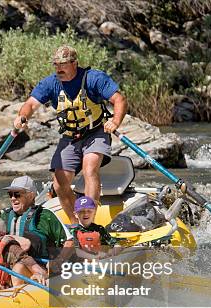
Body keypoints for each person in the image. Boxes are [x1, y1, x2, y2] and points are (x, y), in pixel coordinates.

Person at [13, 45, 128, 223]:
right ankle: (76, 224)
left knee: (89, 169)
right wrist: (22, 116)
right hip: (69, 137)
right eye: (56, 64)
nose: (59, 69)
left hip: (95, 132)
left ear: (74, 63)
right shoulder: (50, 83)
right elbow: (31, 104)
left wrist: (115, 121)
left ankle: (90, 221)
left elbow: (118, 99)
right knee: (59, 183)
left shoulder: (94, 78)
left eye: (63, 64)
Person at [0, 175, 71, 259]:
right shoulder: (4, 215)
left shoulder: (45, 215)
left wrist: (58, 262)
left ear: (31, 196)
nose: (12, 198)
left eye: (17, 194)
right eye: (10, 194)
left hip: (37, 266)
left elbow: (69, 242)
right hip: (6, 266)